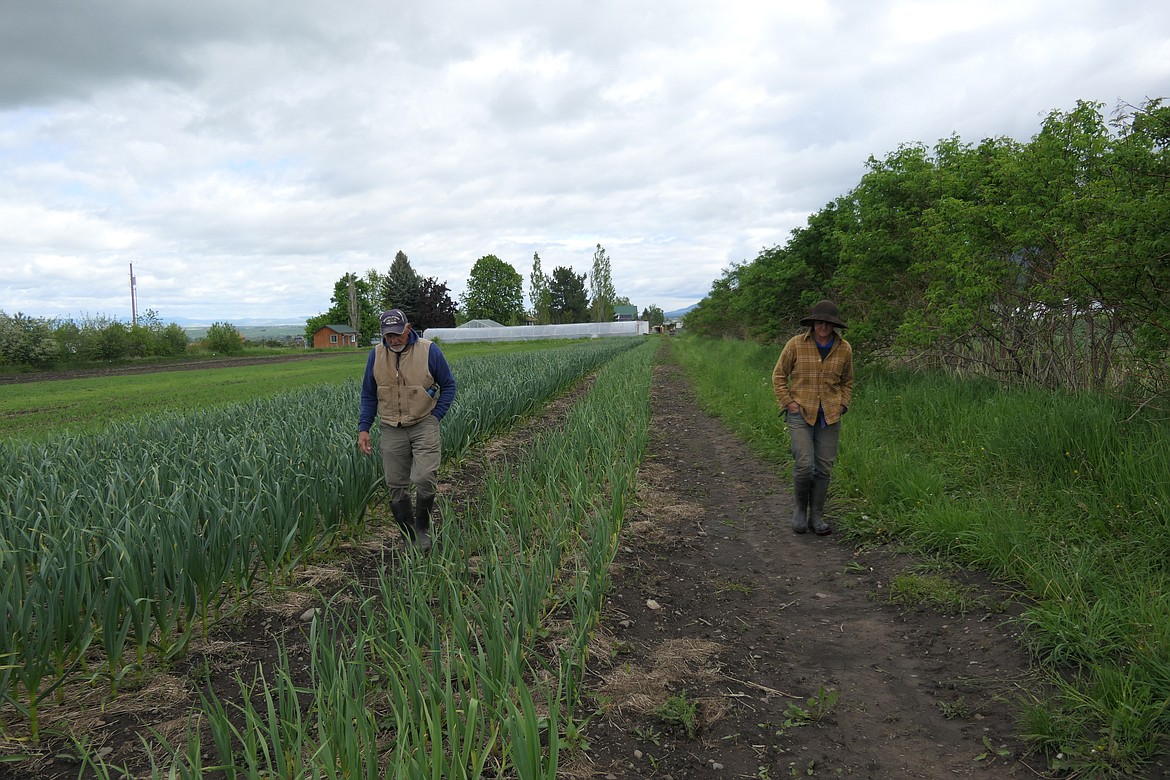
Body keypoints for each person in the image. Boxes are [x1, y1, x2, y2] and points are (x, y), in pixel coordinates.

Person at [358, 309, 456, 552]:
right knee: (395, 484)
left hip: (424, 423)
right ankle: (407, 535)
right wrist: (364, 428)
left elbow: (449, 385)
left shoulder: (428, 350)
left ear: (408, 328)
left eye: (398, 333)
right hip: (391, 427)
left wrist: (435, 417)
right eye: (388, 335)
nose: (393, 339)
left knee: (424, 478)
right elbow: (369, 395)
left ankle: (422, 529)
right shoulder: (376, 355)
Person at [772, 300, 853, 536]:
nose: (823, 327)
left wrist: (843, 404)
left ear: (834, 325)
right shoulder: (796, 345)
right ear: (813, 323)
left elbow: (847, 381)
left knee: (824, 468)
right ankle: (800, 510)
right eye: (819, 322)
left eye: (828, 323)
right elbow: (778, 376)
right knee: (805, 464)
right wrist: (788, 402)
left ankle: (816, 515)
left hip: (830, 415)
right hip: (800, 414)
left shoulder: (844, 348)